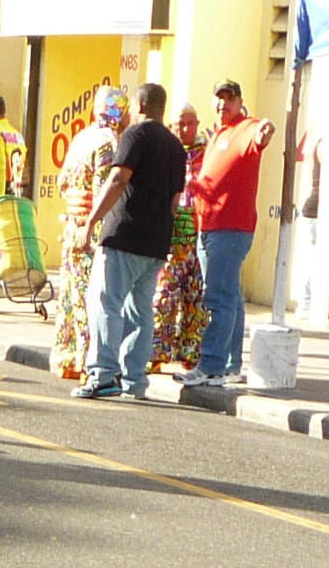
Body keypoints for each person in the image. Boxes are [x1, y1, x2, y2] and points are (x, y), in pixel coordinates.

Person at [72, 83, 188, 400]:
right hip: (155, 241)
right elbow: (175, 201)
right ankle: (134, 380)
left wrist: (93, 220)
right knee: (140, 311)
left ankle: (102, 373)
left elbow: (118, 178)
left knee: (106, 303)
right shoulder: (177, 148)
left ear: (139, 104)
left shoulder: (135, 135)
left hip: (124, 234)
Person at [178, 79, 275, 387]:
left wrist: (266, 131)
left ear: (240, 101)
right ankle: (231, 364)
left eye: (229, 99)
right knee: (230, 297)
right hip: (209, 226)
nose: (223, 104)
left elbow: (262, 136)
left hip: (230, 228)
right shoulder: (218, 133)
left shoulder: (247, 128)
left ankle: (211, 365)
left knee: (218, 298)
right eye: (219, 98)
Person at [50, 85, 126, 382]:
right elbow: (104, 189)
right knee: (89, 295)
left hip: (71, 225)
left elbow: (62, 183)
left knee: (69, 293)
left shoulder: (81, 137)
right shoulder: (109, 142)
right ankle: (85, 357)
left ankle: (66, 357)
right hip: (90, 230)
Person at [152, 102, 210, 371]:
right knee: (164, 297)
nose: (185, 129)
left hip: (198, 238)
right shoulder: (164, 150)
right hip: (170, 240)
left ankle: (191, 353)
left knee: (197, 300)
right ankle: (157, 354)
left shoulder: (207, 152)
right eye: (179, 124)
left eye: (190, 123)